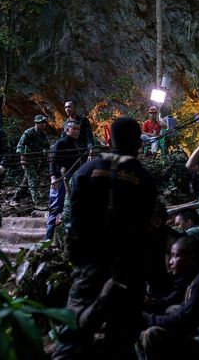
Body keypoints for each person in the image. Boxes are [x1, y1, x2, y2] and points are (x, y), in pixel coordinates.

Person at [53, 117, 157, 360]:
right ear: (138, 143)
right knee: (121, 339)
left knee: (72, 333)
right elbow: (145, 229)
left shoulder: (86, 171)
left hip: (90, 264)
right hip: (128, 269)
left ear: (109, 138)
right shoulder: (145, 180)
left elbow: (72, 219)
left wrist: (76, 257)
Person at [46, 119, 81, 241]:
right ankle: (47, 241)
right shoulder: (60, 144)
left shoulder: (75, 145)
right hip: (60, 180)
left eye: (78, 129)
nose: (77, 131)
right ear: (67, 130)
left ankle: (63, 241)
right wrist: (53, 178)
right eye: (74, 129)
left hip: (72, 181)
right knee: (56, 209)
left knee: (69, 211)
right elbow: (52, 161)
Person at [14, 115, 50, 209]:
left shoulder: (43, 135)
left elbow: (46, 147)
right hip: (27, 160)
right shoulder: (29, 132)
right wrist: (22, 158)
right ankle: (37, 203)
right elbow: (20, 145)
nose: (42, 125)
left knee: (27, 181)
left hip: (36, 160)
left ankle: (15, 199)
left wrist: (45, 155)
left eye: (43, 123)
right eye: (40, 123)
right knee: (33, 179)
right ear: (36, 123)